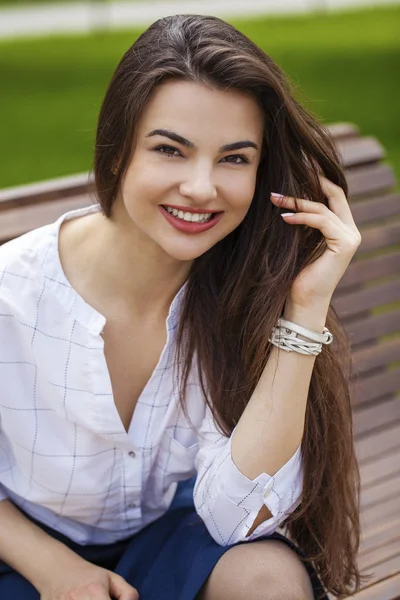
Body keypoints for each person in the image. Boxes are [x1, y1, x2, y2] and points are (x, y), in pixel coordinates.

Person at [0, 13, 363, 600]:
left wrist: (305, 307)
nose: (201, 187)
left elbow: (235, 519)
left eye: (234, 158)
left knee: (265, 580)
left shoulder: (247, 293)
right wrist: (55, 569)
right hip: (22, 549)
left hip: (171, 537)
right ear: (118, 151)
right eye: (171, 149)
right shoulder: (9, 295)